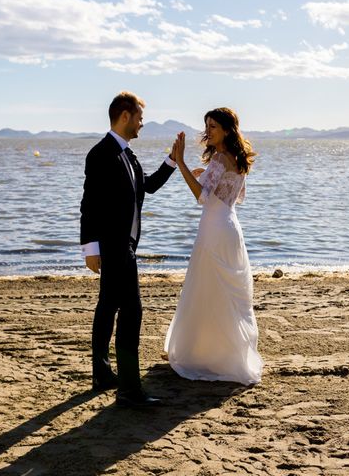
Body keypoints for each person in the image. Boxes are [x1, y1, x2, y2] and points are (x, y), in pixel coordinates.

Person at [80, 91, 176, 407]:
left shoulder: (129, 155)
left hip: (126, 245)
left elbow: (145, 186)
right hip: (114, 247)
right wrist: (90, 249)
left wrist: (172, 161)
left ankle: (103, 375)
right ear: (125, 116)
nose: (141, 124)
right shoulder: (101, 153)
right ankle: (129, 390)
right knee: (132, 311)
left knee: (108, 305)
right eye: (139, 118)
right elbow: (89, 205)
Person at [164, 107, 263, 385]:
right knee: (224, 294)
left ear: (228, 130)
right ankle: (226, 354)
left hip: (213, 229)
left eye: (214, 127)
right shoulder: (237, 159)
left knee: (206, 289)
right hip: (230, 228)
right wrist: (206, 172)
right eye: (206, 126)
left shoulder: (220, 157)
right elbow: (234, 194)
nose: (208, 131)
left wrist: (181, 163)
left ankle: (200, 354)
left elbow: (202, 197)